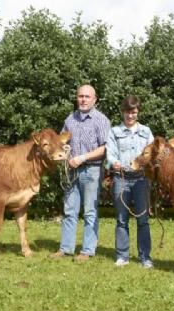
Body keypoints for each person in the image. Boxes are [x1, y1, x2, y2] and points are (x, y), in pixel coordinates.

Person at [49, 84, 111, 262]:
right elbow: (62, 141)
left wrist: (82, 158)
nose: (83, 99)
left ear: (94, 99)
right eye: (80, 96)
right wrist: (65, 150)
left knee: (90, 211)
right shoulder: (70, 119)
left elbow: (106, 147)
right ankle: (66, 248)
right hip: (71, 170)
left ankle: (87, 250)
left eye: (87, 97)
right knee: (70, 210)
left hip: (91, 170)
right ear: (77, 98)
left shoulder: (101, 120)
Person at [105, 95, 154, 268]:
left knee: (143, 220)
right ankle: (122, 256)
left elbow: (152, 156)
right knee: (121, 219)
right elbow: (109, 154)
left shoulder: (147, 132)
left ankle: (145, 257)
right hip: (121, 179)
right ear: (122, 112)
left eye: (133, 112)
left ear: (138, 112)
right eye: (127, 112)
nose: (130, 116)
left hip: (142, 180)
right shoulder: (114, 132)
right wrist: (113, 163)